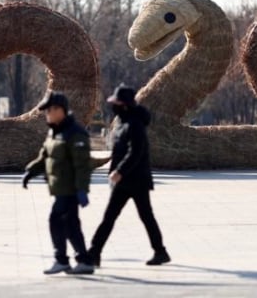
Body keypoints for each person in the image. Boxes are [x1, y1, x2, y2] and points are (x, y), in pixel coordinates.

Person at [87, 84, 170, 267]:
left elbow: (136, 152)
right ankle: (94, 252)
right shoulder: (124, 122)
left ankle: (160, 252)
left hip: (135, 180)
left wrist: (119, 171)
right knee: (113, 217)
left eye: (116, 103)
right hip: (125, 181)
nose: (113, 106)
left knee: (143, 216)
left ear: (124, 105)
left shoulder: (135, 124)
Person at [22, 91, 95, 275]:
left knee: (59, 222)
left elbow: (82, 165)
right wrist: (31, 171)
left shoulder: (75, 133)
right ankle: (81, 260)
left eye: (49, 110)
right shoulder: (54, 131)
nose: (46, 114)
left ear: (60, 110)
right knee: (70, 225)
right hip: (59, 188)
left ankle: (65, 259)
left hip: (70, 189)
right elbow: (45, 156)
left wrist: (82, 190)